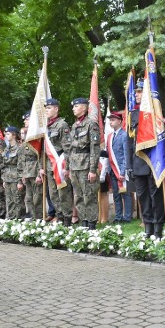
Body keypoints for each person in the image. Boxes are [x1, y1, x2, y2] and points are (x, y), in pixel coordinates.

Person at [128, 78, 165, 237]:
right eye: (136, 92)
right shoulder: (133, 114)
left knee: (155, 197)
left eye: (140, 91)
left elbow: (161, 141)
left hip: (152, 162)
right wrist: (129, 166)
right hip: (138, 163)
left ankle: (158, 228)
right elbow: (130, 142)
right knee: (143, 197)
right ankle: (148, 226)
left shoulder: (156, 113)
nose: (136, 94)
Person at [66, 98, 100, 230]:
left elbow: (94, 148)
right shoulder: (74, 126)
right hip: (74, 165)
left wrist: (92, 169)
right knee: (78, 195)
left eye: (76, 106)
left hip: (85, 164)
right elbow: (70, 148)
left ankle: (91, 223)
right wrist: (67, 167)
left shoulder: (91, 124)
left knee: (89, 195)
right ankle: (84, 221)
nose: (73, 108)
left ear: (84, 108)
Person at [44, 98, 73, 225]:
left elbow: (67, 147)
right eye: (46, 108)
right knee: (53, 194)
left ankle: (67, 219)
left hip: (60, 164)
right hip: (50, 165)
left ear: (56, 109)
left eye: (49, 108)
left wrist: (67, 166)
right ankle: (59, 216)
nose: (46, 110)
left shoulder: (62, 125)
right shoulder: (46, 127)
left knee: (63, 194)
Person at [106, 111, 132, 223]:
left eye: (113, 120)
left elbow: (126, 154)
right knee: (116, 195)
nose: (111, 122)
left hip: (121, 169)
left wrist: (123, 171)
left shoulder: (124, 135)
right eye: (110, 120)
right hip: (112, 169)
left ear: (120, 121)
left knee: (125, 194)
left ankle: (127, 217)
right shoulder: (110, 136)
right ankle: (118, 216)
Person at [18, 119, 44, 220]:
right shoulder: (23, 145)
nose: (22, 135)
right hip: (27, 174)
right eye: (21, 133)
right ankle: (33, 217)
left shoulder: (35, 144)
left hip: (34, 172)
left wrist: (38, 174)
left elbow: (40, 158)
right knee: (28, 198)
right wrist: (22, 175)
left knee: (37, 198)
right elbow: (22, 161)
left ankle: (39, 217)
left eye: (23, 133)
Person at [1, 126, 24, 219]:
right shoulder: (7, 149)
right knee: (9, 200)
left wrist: (20, 181)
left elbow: (21, 165)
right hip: (8, 178)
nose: (6, 136)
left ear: (14, 135)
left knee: (18, 200)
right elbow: (4, 165)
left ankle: (19, 220)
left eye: (8, 134)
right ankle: (11, 219)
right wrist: (4, 179)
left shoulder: (20, 148)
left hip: (15, 178)